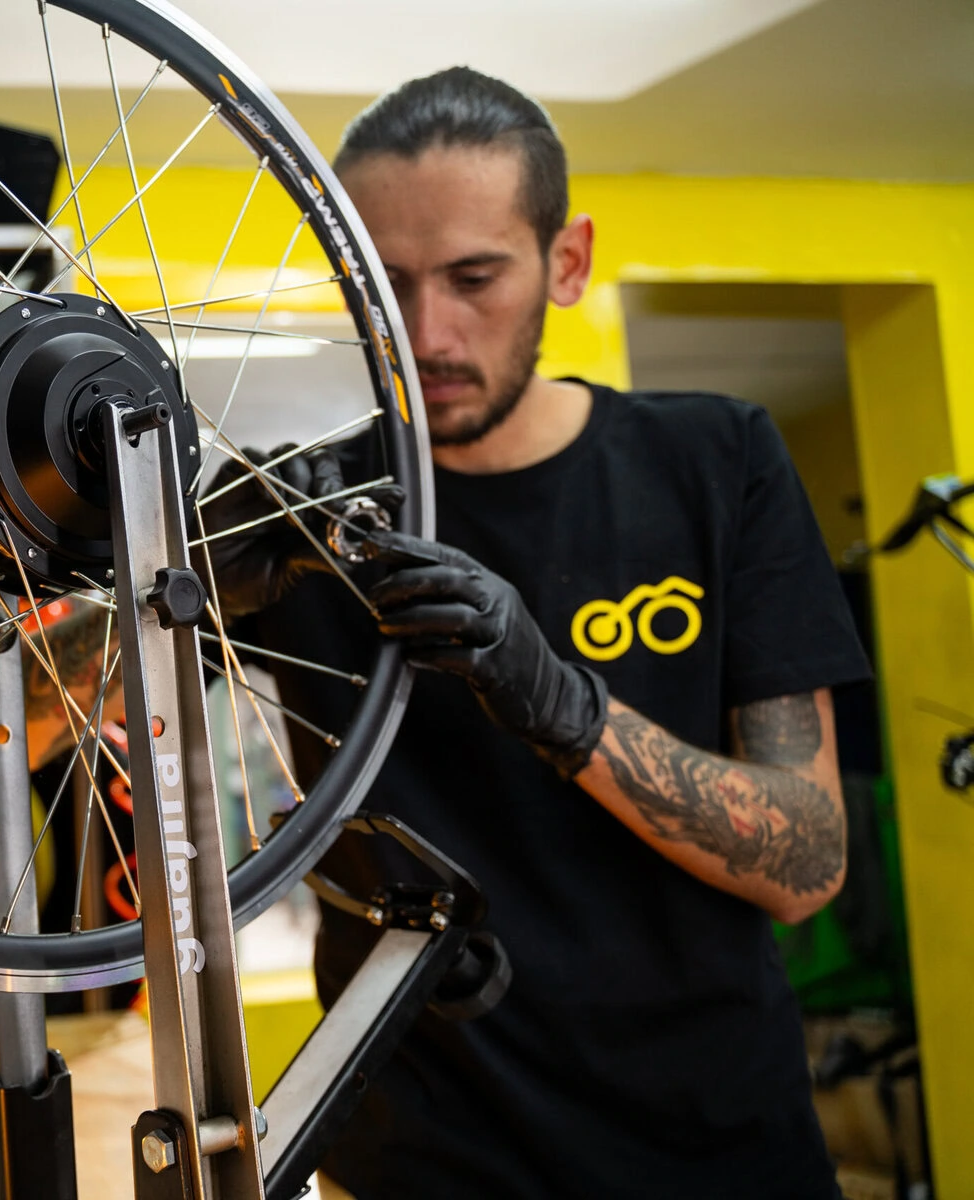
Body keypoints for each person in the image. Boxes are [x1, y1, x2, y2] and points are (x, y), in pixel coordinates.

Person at [206, 67, 868, 1198]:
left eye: (475, 277)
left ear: (567, 263)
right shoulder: (305, 516)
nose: (427, 331)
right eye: (387, 283)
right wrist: (185, 585)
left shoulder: (716, 462)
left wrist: (561, 706)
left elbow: (806, 858)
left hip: (712, 1149)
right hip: (421, 1162)